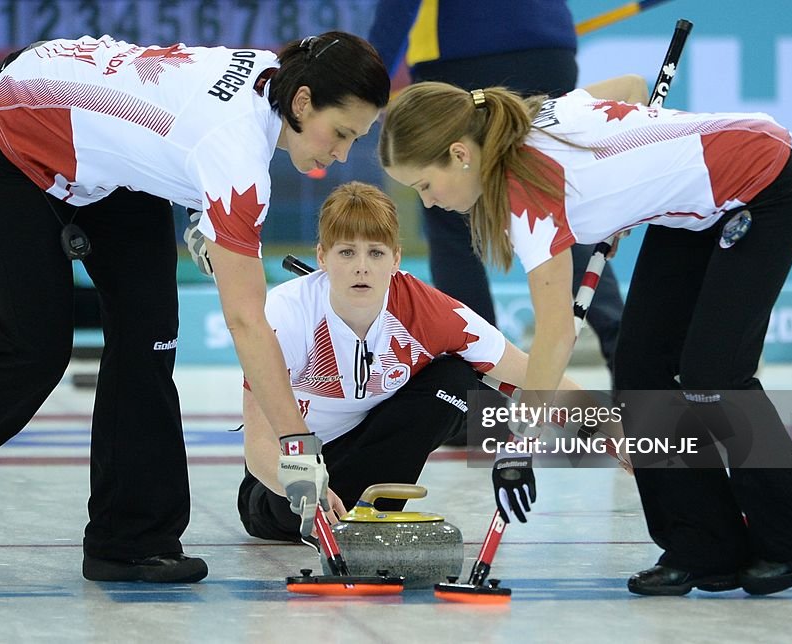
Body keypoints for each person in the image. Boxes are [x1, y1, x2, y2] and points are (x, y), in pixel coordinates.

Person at [0, 32, 389, 583]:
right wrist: (299, 449)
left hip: (107, 163)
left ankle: (130, 540)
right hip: (19, 128)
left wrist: (202, 219)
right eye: (343, 133)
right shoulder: (237, 160)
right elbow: (246, 322)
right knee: (35, 350)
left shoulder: (270, 77)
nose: (342, 154)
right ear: (302, 102)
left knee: (150, 337)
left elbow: (179, 118)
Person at [378, 78, 792, 596]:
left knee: (713, 375)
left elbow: (556, 334)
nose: (426, 202)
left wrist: (519, 443)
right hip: (690, 210)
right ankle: (703, 544)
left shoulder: (528, 197)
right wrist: (629, 182)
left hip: (758, 181)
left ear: (459, 153)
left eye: (425, 185)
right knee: (638, 369)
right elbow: (629, 85)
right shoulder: (534, 116)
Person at [237, 182, 626, 543]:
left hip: (365, 456)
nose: (361, 267)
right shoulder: (284, 315)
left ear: (396, 259)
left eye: (375, 253)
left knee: (457, 380)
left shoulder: (431, 312)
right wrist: (303, 487)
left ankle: (370, 513)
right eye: (345, 252)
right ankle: (352, 512)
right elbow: (258, 448)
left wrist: (618, 428)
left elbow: (534, 374)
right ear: (322, 257)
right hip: (281, 491)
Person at [367, 0, 623, 371]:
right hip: (548, 43)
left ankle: (477, 377)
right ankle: (633, 360)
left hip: (462, 48)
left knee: (447, 210)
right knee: (553, 200)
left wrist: (367, 87)